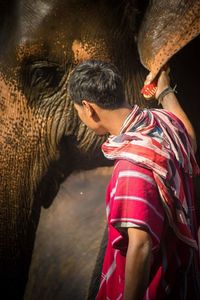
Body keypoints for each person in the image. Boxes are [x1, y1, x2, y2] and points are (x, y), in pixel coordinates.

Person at [67, 60, 200, 300]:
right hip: (185, 282)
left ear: (88, 108)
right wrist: (165, 92)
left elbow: (141, 246)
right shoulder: (161, 123)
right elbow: (188, 137)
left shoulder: (132, 167)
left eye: (78, 111)